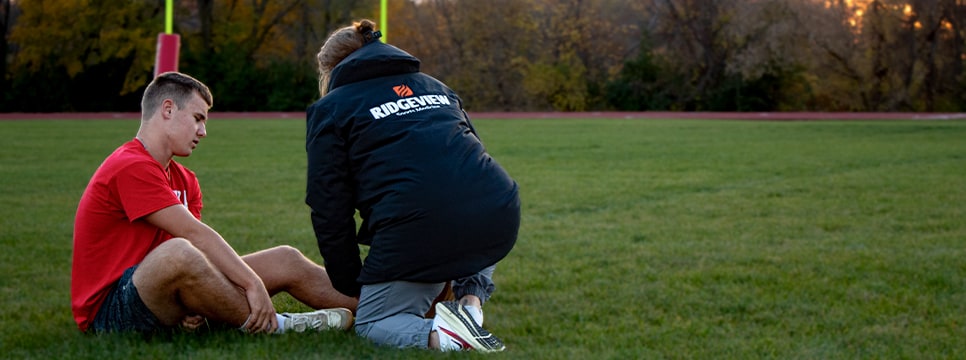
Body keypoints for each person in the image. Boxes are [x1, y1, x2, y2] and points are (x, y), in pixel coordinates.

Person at [71, 71, 357, 334]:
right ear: (168, 109)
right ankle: (280, 325)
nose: (203, 132)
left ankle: (383, 309)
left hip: (166, 290)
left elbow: (197, 256)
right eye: (197, 118)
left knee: (286, 258)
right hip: (111, 312)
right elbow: (193, 239)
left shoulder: (185, 179)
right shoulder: (130, 165)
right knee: (179, 252)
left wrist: (196, 298)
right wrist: (251, 284)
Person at [306, 20, 520, 352]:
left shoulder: (331, 107)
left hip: (421, 223)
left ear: (330, 70)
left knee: (373, 322)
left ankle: (448, 336)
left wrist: (351, 283)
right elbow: (472, 159)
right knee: (469, 204)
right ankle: (470, 308)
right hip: (497, 206)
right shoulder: (436, 86)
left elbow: (328, 205)